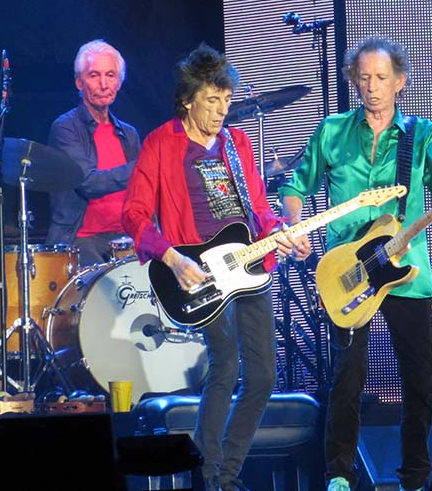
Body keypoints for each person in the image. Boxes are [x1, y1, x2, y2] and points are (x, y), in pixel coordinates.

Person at [279, 36, 432, 491]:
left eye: (382, 78)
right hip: (346, 271)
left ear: (400, 82)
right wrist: (296, 225)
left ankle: (414, 476)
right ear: (353, 81)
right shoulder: (331, 131)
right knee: (346, 378)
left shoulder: (420, 133)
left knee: (419, 382)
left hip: (406, 274)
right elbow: (294, 185)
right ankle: (338, 474)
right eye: (364, 78)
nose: (372, 87)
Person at [121, 44, 310, 491]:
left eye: (226, 100)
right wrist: (171, 256)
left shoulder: (236, 142)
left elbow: (260, 211)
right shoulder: (161, 143)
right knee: (226, 365)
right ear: (188, 99)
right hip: (200, 269)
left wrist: (284, 233)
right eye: (212, 100)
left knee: (263, 377)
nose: (222, 110)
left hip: (249, 262)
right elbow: (134, 214)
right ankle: (212, 476)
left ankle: (227, 472)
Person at [47, 39, 141, 266]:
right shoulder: (65, 127)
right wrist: (143, 166)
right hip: (82, 241)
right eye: (93, 75)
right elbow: (88, 183)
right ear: (79, 83)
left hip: (126, 239)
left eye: (110, 75)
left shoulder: (129, 134)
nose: (103, 84)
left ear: (119, 83)